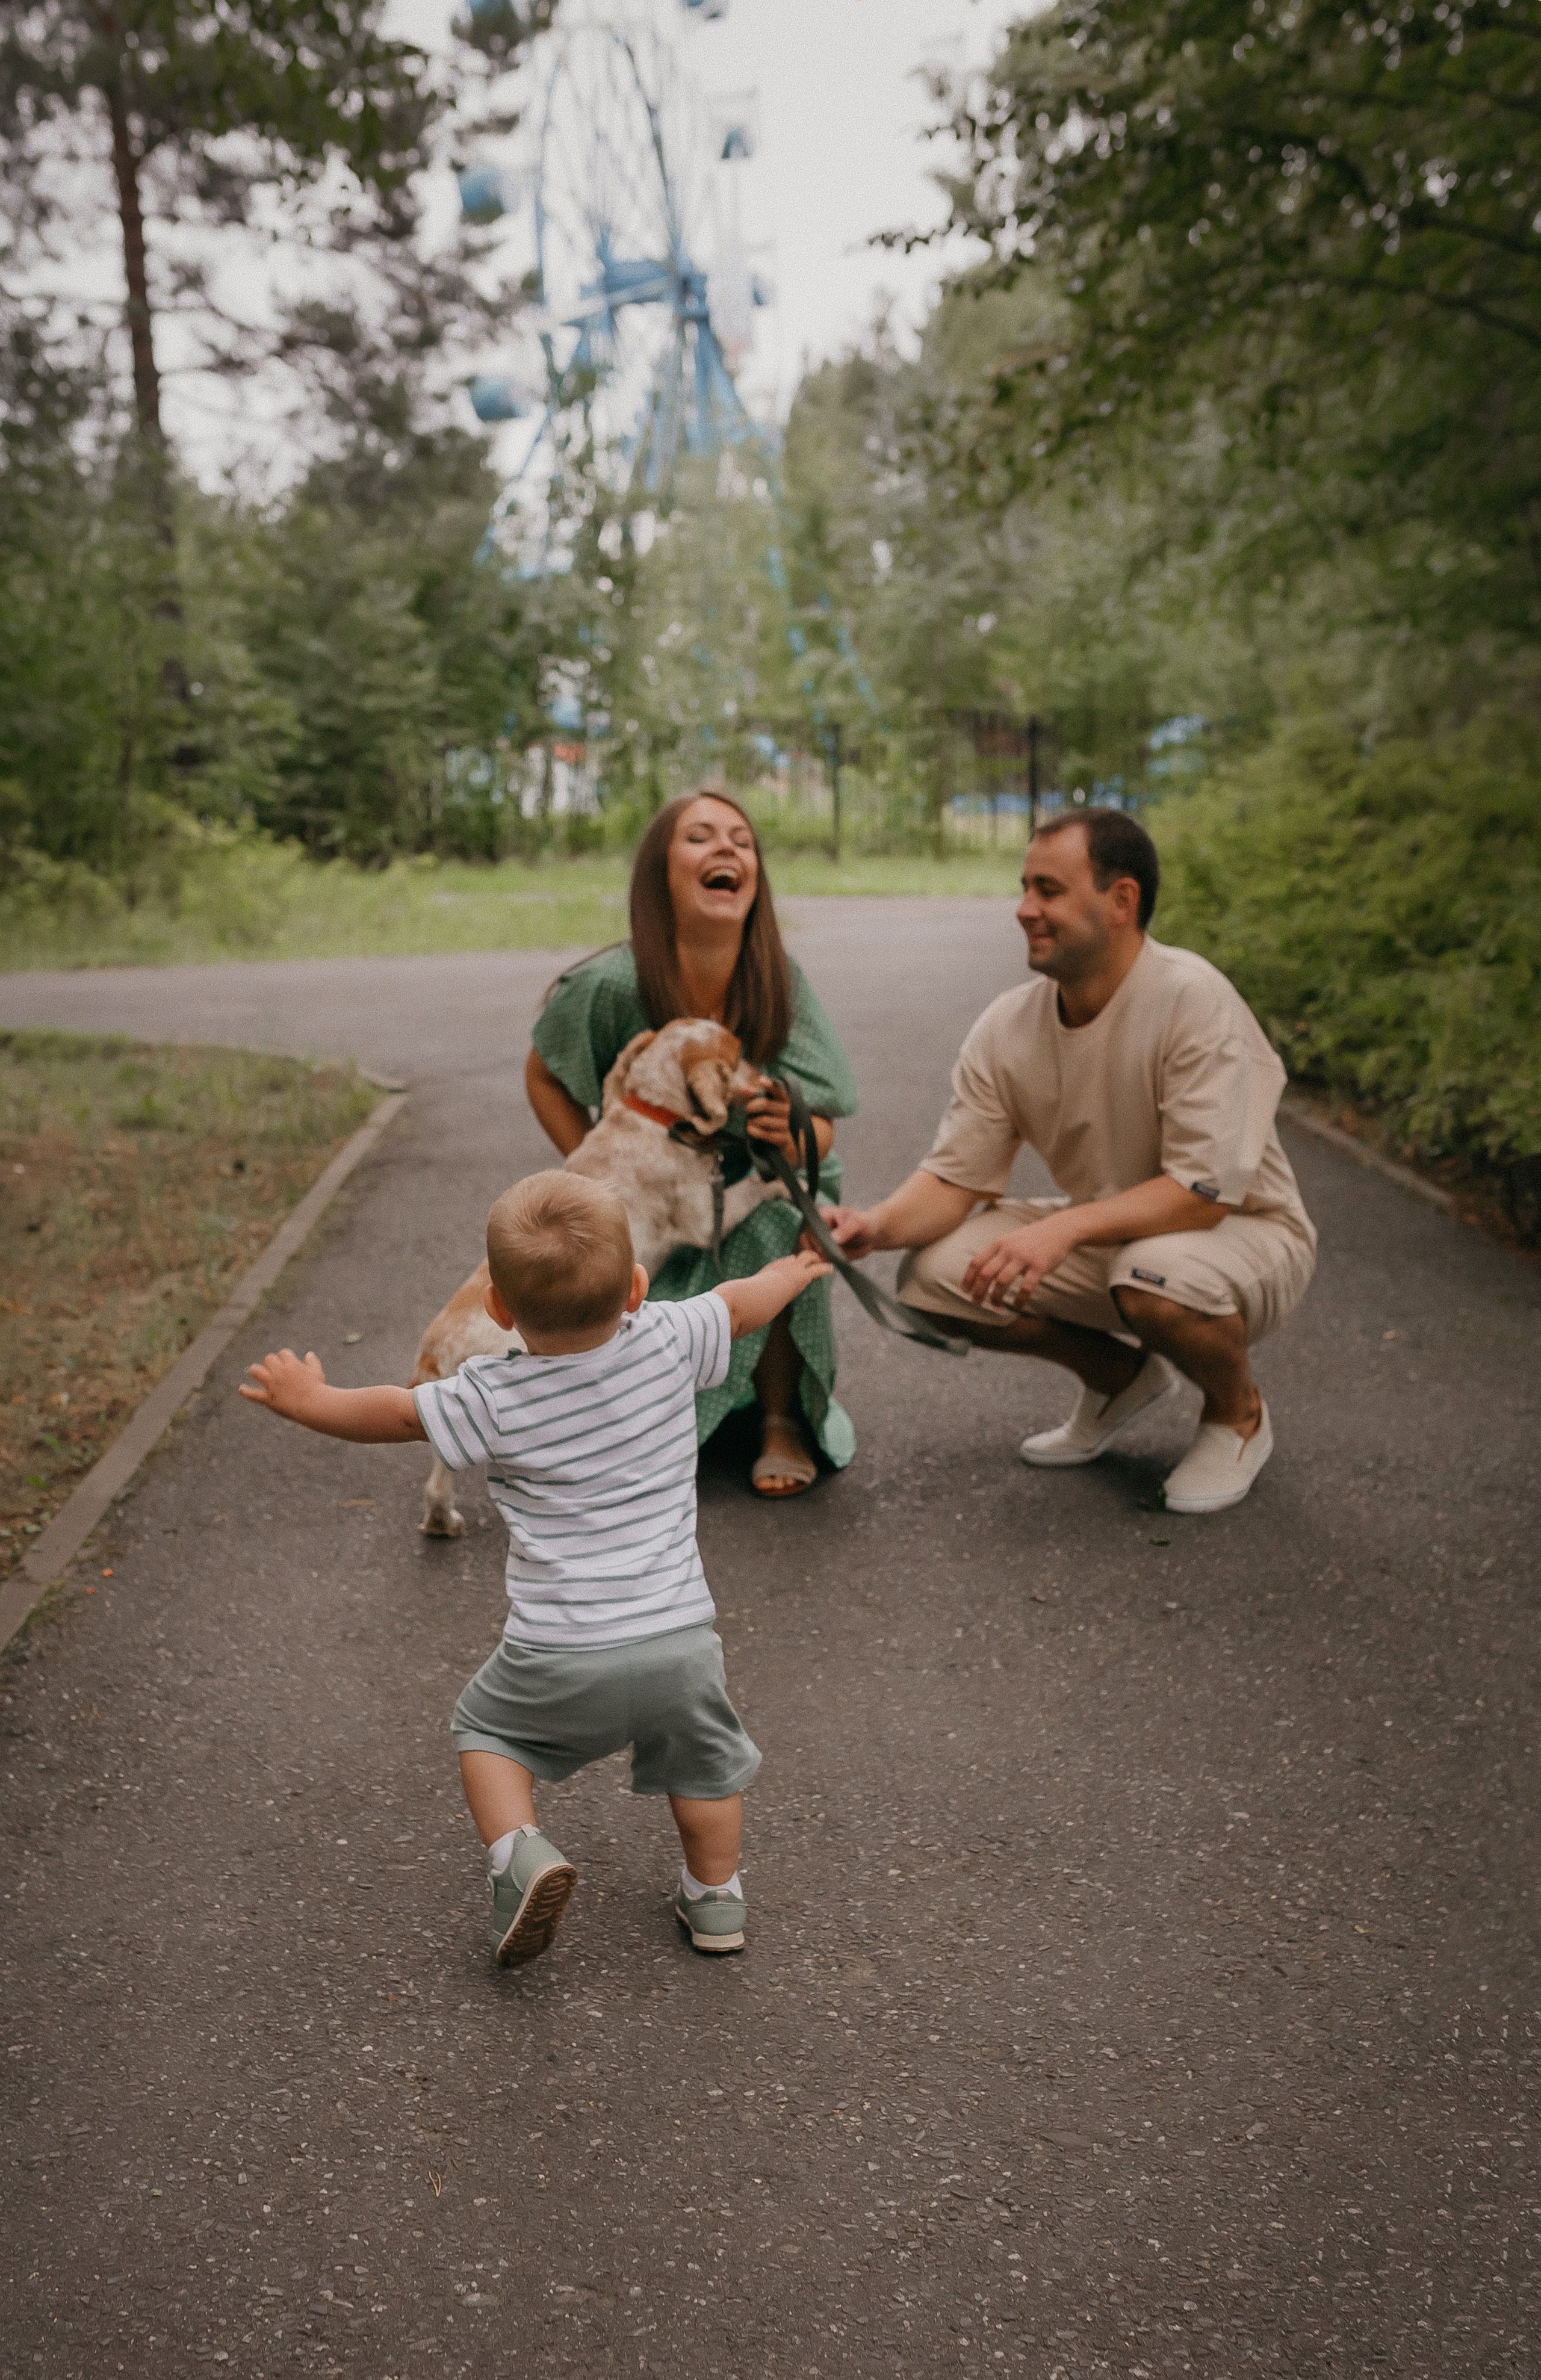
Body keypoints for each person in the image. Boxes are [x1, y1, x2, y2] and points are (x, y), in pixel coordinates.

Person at [241, 1168, 831, 1965]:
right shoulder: (668, 1336)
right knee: (705, 1772)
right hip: (679, 1641)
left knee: (485, 1732)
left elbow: (396, 1413)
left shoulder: (491, 1395)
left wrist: (308, 1398)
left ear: (498, 1309)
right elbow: (737, 1304)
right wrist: (790, 1271)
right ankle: (717, 1899)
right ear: (636, 1286)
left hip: (558, 1646)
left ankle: (519, 1854)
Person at [822, 809, 1318, 1516]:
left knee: (1152, 1276)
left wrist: (1060, 1229)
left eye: (1048, 890)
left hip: (1246, 1233)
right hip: (1119, 1238)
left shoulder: (1193, 998)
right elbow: (956, 1178)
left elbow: (1202, 1194)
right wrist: (873, 1226)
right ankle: (1118, 1379)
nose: (1024, 909)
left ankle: (1236, 1414)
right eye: (1025, 887)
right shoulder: (1007, 1026)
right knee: (934, 1277)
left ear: (1121, 901)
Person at [526, 789, 859, 1498]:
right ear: (661, 875)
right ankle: (620, 1426)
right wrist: (598, 1175)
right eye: (700, 836)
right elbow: (544, 1075)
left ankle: (779, 1419)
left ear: (754, 877)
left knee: (775, 1221)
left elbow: (827, 1116)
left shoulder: (778, 978)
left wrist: (795, 1133)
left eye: (741, 839)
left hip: (761, 1174)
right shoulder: (613, 983)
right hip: (649, 1186)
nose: (726, 848)